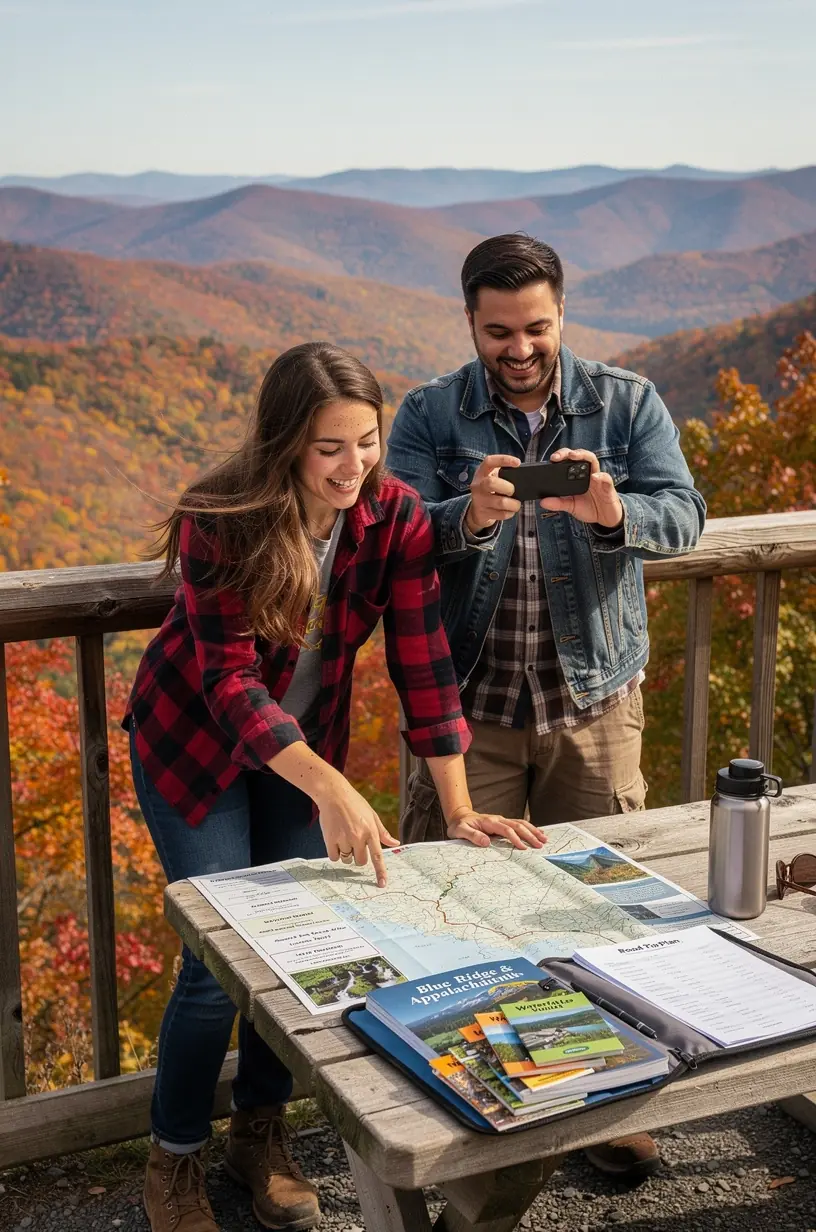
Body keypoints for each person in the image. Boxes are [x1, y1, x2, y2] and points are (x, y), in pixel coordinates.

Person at [125, 341, 543, 1232]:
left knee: (293, 948)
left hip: (301, 754)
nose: (352, 466)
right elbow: (230, 683)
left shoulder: (392, 517)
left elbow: (423, 662)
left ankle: (259, 1134)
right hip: (194, 749)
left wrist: (459, 807)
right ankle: (175, 1156)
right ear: (285, 444)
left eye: (366, 441)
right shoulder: (221, 518)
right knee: (214, 964)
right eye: (329, 448)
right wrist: (334, 790)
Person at [387, 234, 706, 1180]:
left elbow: (685, 514)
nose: (519, 348)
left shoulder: (627, 401)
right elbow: (390, 534)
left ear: (561, 313)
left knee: (598, 913)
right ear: (470, 322)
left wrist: (614, 513)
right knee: (453, 915)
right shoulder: (429, 414)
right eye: (498, 332)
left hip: (593, 704)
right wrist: (467, 516)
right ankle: (471, 1116)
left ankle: (604, 1098)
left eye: (535, 327)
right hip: (469, 713)